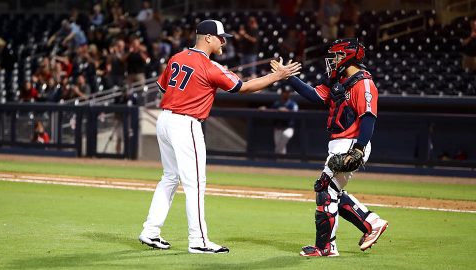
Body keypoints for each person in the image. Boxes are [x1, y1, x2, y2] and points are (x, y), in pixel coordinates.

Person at [139, 19, 301, 254]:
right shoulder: (209, 66)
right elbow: (243, 87)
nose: (224, 41)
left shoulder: (177, 57)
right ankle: (198, 240)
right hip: (186, 122)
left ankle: (151, 231)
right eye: (220, 37)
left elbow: (166, 88)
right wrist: (277, 76)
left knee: (170, 177)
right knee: (194, 183)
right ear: (207, 38)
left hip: (165, 119)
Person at [272, 38, 388, 257]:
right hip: (339, 142)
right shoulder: (338, 80)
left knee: (324, 189)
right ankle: (372, 223)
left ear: (348, 57)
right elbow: (313, 95)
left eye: (336, 56)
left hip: (352, 142)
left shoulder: (363, 82)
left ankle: (326, 247)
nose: (332, 60)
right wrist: (287, 76)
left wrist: (359, 148)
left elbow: (368, 118)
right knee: (332, 191)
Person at [271, 88, 299, 155]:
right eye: (284, 92)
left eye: (287, 92)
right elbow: (271, 111)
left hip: (288, 128)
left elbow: (296, 113)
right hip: (278, 128)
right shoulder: (277, 103)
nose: (286, 94)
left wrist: (287, 110)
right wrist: (264, 109)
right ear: (282, 93)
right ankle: (281, 161)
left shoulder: (293, 104)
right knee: (280, 145)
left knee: (284, 140)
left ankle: (276, 158)